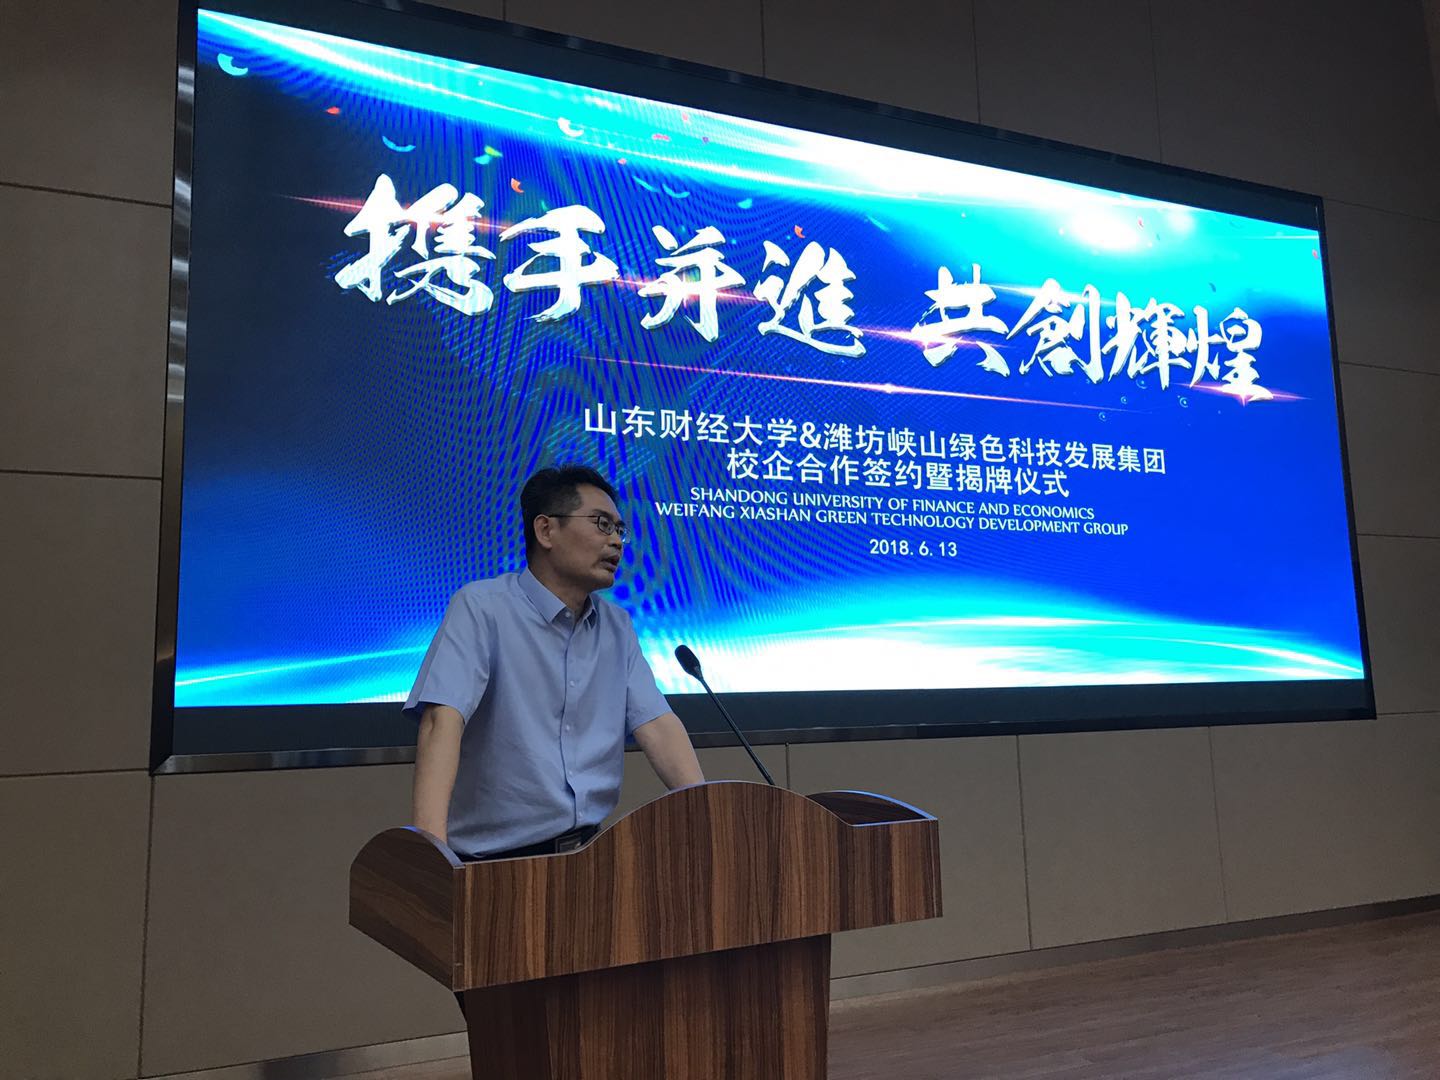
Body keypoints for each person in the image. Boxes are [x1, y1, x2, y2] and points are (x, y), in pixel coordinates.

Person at [404, 464, 705, 862]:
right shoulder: (481, 608)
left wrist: (709, 815)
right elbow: (441, 721)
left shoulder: (617, 626)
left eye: (620, 529)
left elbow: (658, 727)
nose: (616, 541)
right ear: (545, 530)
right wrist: (431, 859)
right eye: (602, 524)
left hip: (590, 855)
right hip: (496, 864)